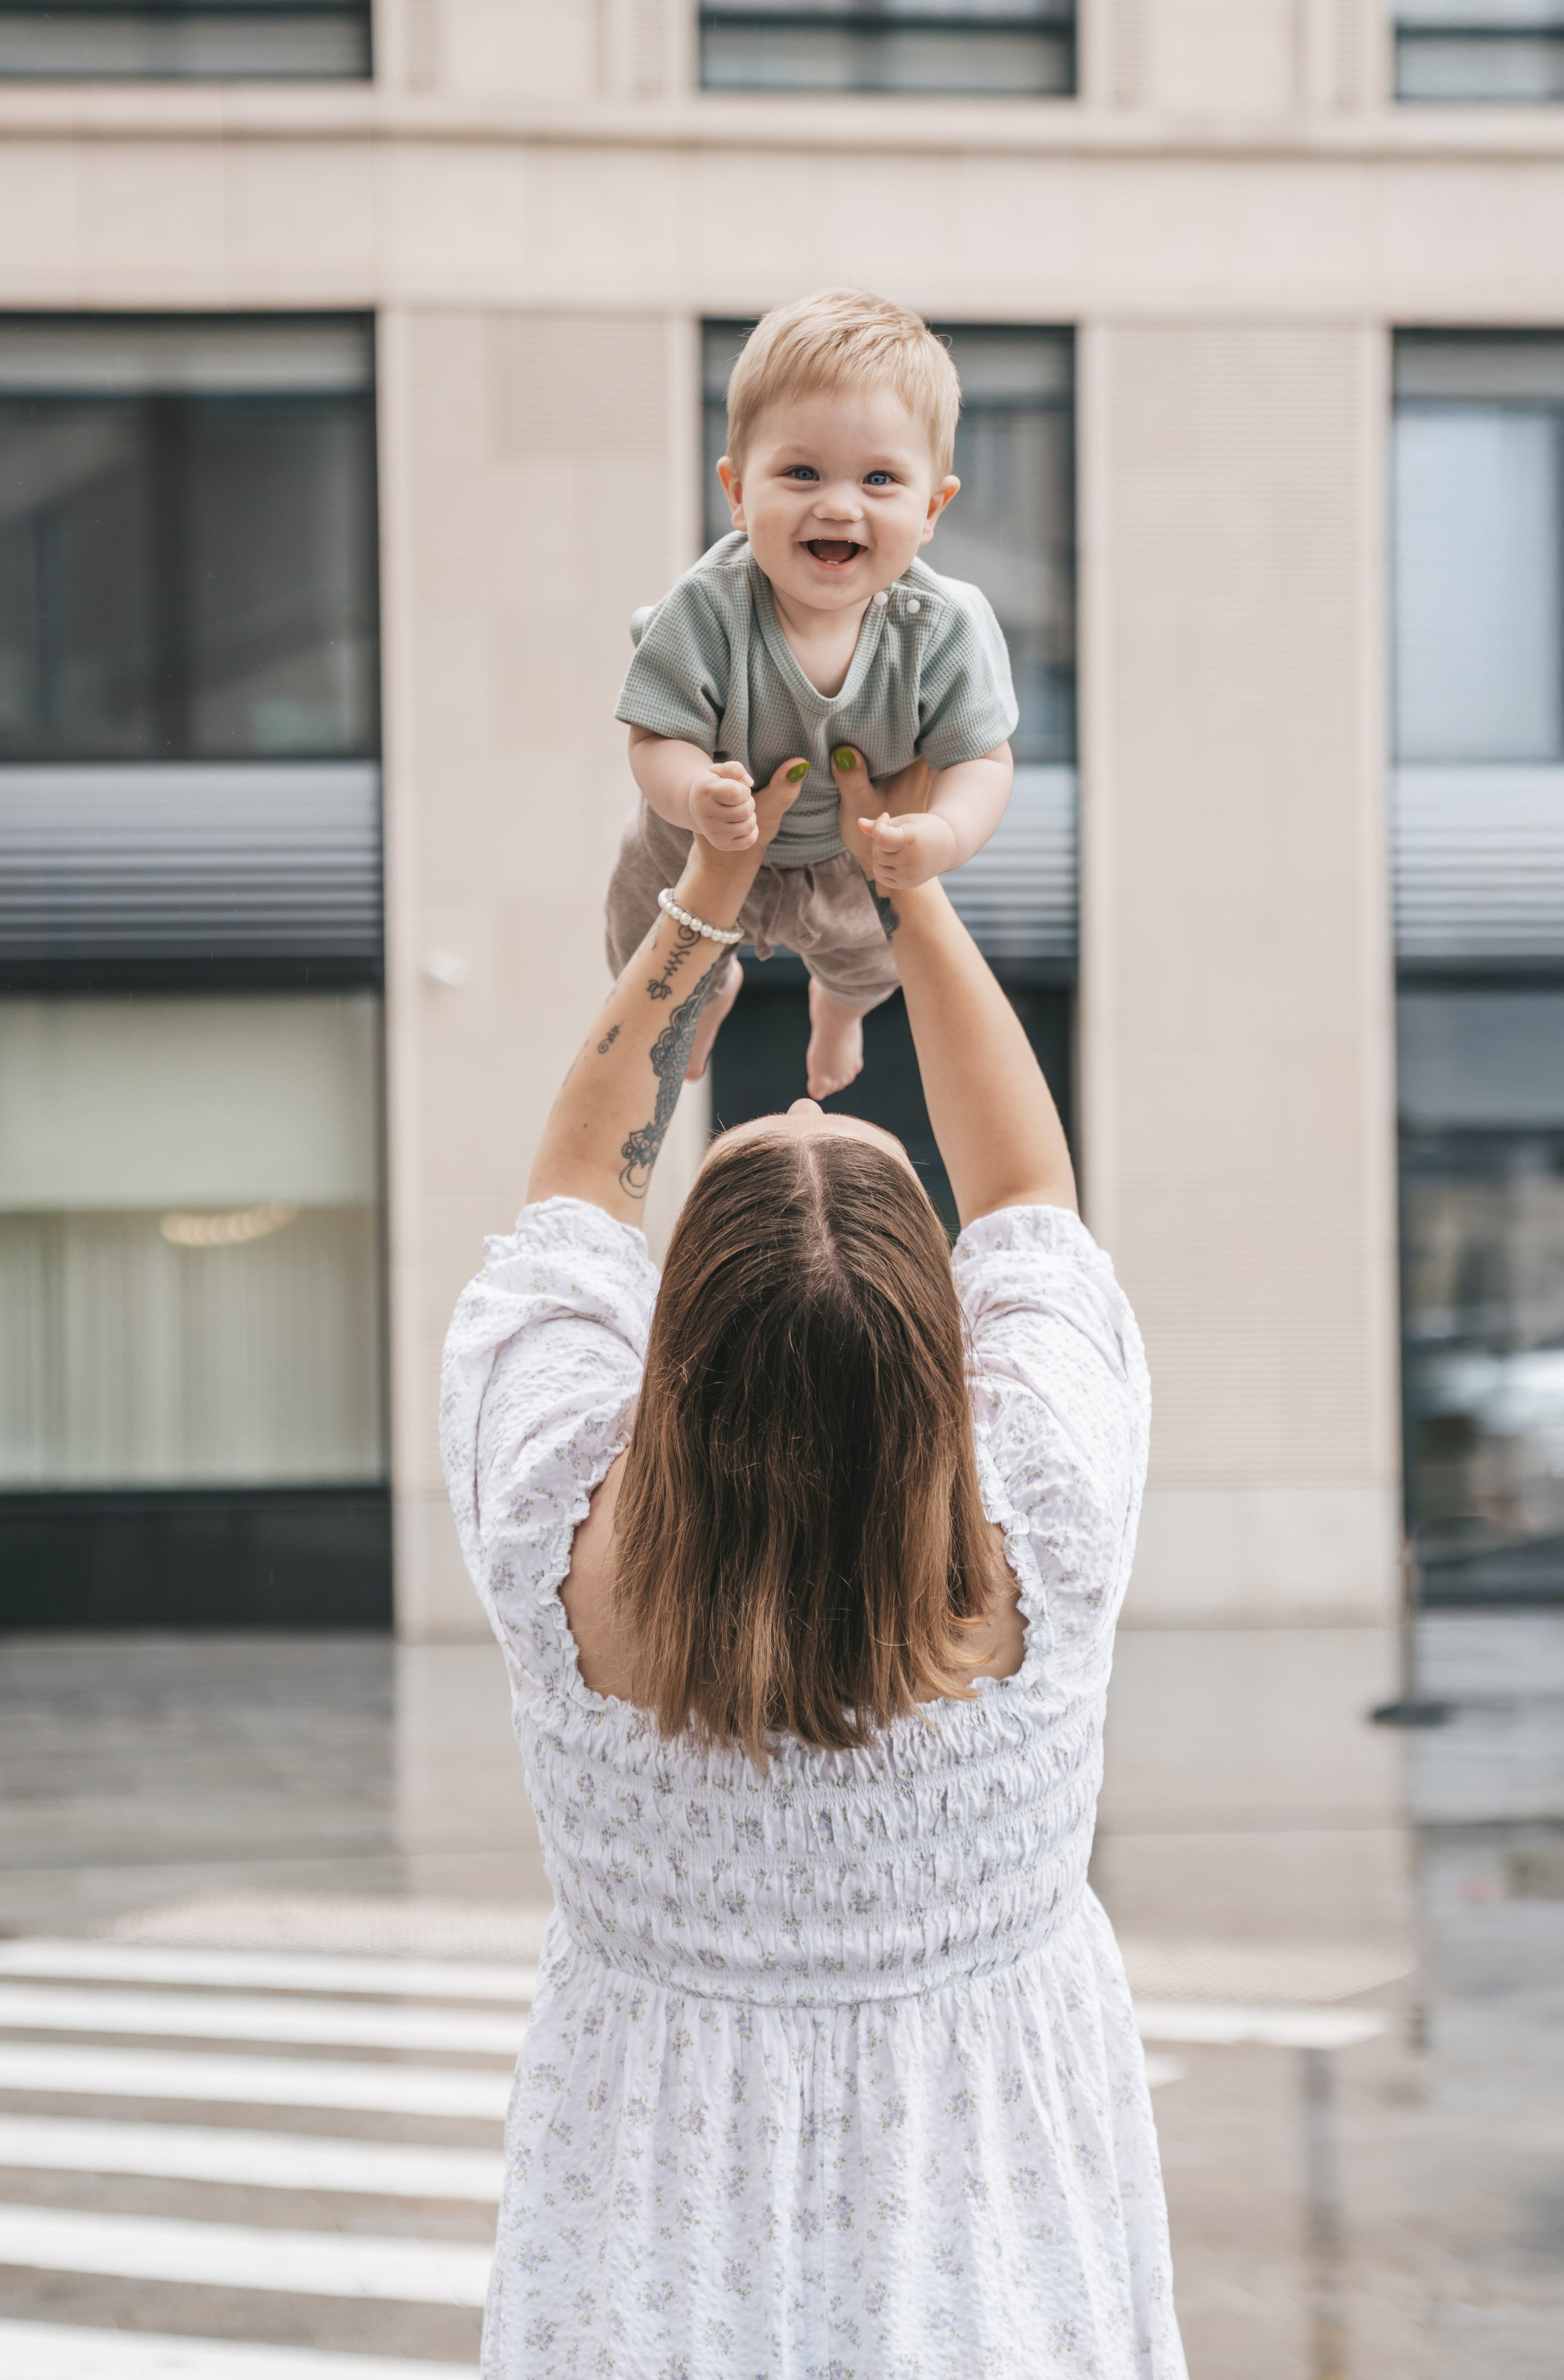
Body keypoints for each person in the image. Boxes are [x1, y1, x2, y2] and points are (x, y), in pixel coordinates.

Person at [441, 756, 1186, 2379]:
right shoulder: (1047, 1514)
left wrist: (706, 897)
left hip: (653, 2235)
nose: (803, 1104)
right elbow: (1027, 1189)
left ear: (674, 1346)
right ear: (940, 1349)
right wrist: (904, 880)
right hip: (989, 2239)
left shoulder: (551, 1526)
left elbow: (575, 1191)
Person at [605, 287, 1017, 1104]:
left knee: (874, 957)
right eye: (801, 473)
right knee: (642, 941)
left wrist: (942, 834)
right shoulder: (708, 606)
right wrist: (694, 791)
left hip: (849, 848)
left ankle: (838, 1010)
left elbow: (982, 760)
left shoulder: (941, 626)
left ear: (932, 509)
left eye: (880, 479)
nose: (837, 504)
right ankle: (706, 997)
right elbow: (654, 737)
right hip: (699, 839)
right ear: (737, 491)